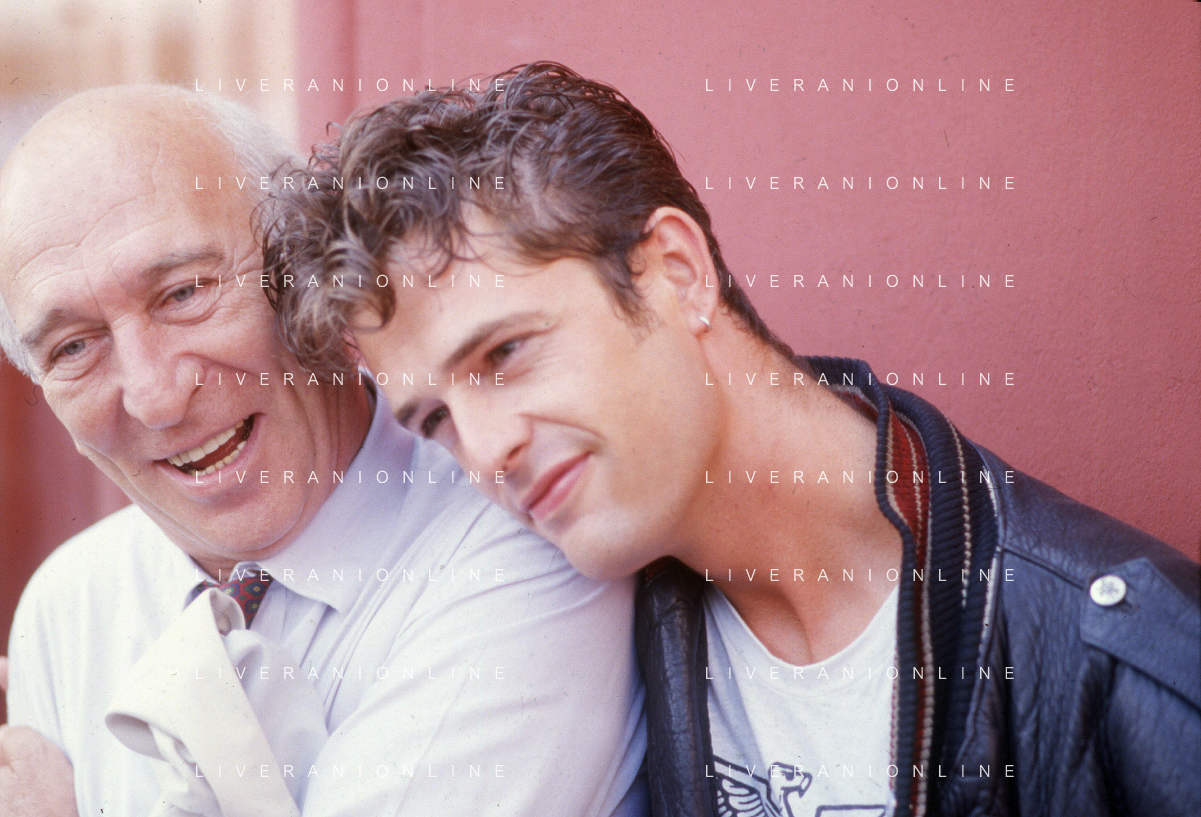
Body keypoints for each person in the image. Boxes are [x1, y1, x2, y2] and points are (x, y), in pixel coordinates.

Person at [265, 62, 1201, 817]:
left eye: (505, 352)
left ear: (676, 272)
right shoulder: (579, 620)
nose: (484, 450)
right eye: (434, 420)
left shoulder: (1128, 664)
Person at [0, 85, 646, 816]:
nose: (155, 397)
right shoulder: (70, 605)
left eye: (184, 293)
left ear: (308, 270)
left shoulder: (520, 540)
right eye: (74, 347)